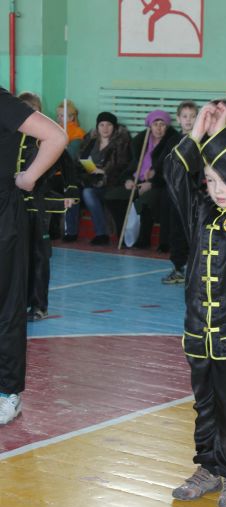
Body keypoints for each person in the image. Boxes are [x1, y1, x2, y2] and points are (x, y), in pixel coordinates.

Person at [164, 102, 226, 507]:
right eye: (209, 180)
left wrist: (220, 131)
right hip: (198, 330)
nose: (217, 188)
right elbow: (175, 173)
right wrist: (196, 134)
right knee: (204, 403)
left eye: (224, 181)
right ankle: (208, 467)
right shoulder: (200, 211)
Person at [0, 86, 67, 424]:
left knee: (6, 304)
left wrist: (28, 178)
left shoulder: (1, 103)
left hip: (2, 217)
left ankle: (7, 392)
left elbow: (56, 137)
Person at [18, 92, 79, 321]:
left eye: (33, 110)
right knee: (15, 257)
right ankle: (17, 303)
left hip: (40, 204)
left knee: (39, 256)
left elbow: (68, 166)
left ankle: (38, 305)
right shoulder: (10, 135)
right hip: (14, 206)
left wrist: (70, 191)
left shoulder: (46, 136)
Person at [104, 109, 176, 249]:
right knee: (112, 197)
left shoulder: (171, 143)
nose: (159, 128)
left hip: (158, 184)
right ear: (150, 126)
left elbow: (171, 171)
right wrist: (127, 180)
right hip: (136, 181)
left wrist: (152, 183)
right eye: (155, 124)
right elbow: (130, 165)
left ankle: (144, 239)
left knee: (145, 202)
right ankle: (123, 235)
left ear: (167, 126)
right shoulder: (140, 141)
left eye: (162, 125)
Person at [63, 111, 132, 245]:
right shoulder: (90, 141)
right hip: (88, 179)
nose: (105, 128)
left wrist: (104, 172)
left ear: (114, 127)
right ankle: (71, 232)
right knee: (72, 190)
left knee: (88, 193)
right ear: (97, 126)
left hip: (109, 183)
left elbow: (122, 167)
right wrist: (86, 169)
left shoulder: (121, 143)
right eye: (102, 125)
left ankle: (101, 234)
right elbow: (79, 161)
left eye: (109, 125)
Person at [161, 101, 198, 284]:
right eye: (185, 116)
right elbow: (165, 164)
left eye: (192, 116)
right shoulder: (172, 141)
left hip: (195, 195)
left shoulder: (201, 141)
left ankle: (197, 268)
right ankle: (178, 268)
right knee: (176, 231)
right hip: (176, 195)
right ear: (178, 119)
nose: (188, 120)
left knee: (195, 232)